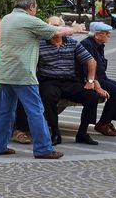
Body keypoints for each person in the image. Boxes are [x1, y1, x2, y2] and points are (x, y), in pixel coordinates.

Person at [0, 0, 85, 160]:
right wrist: (75, 29)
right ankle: (43, 149)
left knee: (4, 112)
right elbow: (57, 31)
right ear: (31, 6)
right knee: (36, 111)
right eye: (36, 8)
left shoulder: (6, 18)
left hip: (5, 72)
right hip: (23, 74)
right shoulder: (29, 20)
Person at [37, 16, 103, 146]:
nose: (55, 28)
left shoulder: (72, 43)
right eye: (52, 25)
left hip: (70, 81)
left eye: (57, 25)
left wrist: (90, 81)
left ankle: (82, 133)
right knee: (48, 96)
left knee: (92, 96)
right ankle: (55, 133)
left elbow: (91, 62)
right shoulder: (40, 44)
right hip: (49, 80)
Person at [80, 21, 116, 137]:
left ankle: (108, 121)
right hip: (92, 78)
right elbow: (87, 67)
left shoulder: (99, 45)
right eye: (106, 33)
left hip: (102, 76)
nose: (109, 36)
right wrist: (96, 85)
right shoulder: (87, 44)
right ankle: (102, 123)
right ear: (97, 34)